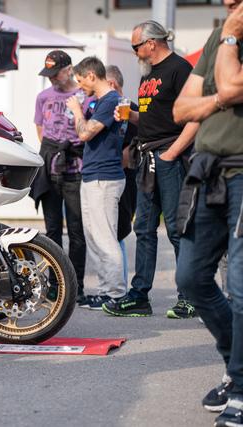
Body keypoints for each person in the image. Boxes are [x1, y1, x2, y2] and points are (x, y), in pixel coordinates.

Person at [172, 0, 243, 424]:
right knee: (191, 277)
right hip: (209, 172)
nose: (228, 6)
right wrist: (219, 99)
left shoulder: (228, 34)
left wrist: (231, 36)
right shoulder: (220, 35)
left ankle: (241, 384)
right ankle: (237, 366)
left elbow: (231, 87)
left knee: (240, 284)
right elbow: (181, 109)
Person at [101, 20, 200, 319]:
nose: (135, 53)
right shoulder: (148, 75)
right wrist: (131, 116)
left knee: (177, 229)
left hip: (170, 157)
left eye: (136, 47)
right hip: (147, 158)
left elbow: (195, 117)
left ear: (151, 43)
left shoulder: (179, 69)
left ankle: (190, 298)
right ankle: (139, 297)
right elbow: (152, 119)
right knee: (143, 228)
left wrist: (172, 153)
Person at [66, 56, 126, 310]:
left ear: (92, 75)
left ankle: (116, 293)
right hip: (92, 175)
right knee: (93, 237)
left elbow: (85, 133)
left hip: (105, 177)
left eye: (81, 81)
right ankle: (104, 291)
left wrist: (77, 111)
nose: (80, 86)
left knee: (105, 238)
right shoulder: (99, 101)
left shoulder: (110, 100)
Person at [31, 50, 87, 304]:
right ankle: (55, 284)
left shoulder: (83, 95)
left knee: (76, 231)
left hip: (76, 170)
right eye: (49, 74)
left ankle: (76, 286)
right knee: (52, 230)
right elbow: (40, 130)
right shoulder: (43, 97)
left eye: (56, 73)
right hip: (51, 170)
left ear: (69, 70)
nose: (52, 78)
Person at [106, 65, 138, 284]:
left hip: (124, 180)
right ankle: (114, 287)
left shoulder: (130, 110)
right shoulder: (103, 107)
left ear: (111, 84)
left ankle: (119, 287)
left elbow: (129, 153)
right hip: (110, 177)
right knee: (108, 236)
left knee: (117, 234)